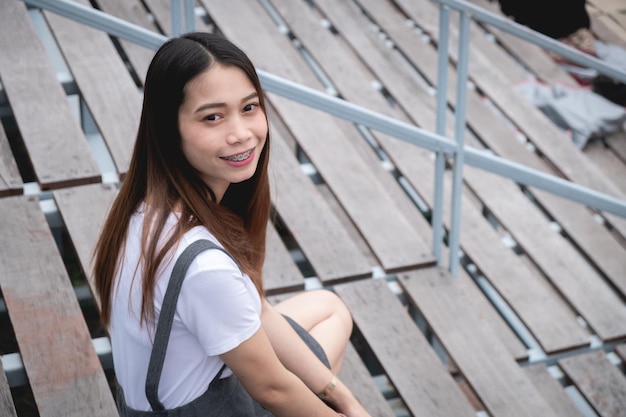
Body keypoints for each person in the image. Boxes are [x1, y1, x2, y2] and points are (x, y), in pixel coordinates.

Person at [93, 32, 370, 417]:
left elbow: (258, 310)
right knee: (306, 368)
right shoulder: (202, 265)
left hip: (163, 398)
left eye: (250, 107)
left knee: (328, 308)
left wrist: (344, 398)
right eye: (213, 116)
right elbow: (273, 389)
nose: (241, 133)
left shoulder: (145, 207)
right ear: (168, 127)